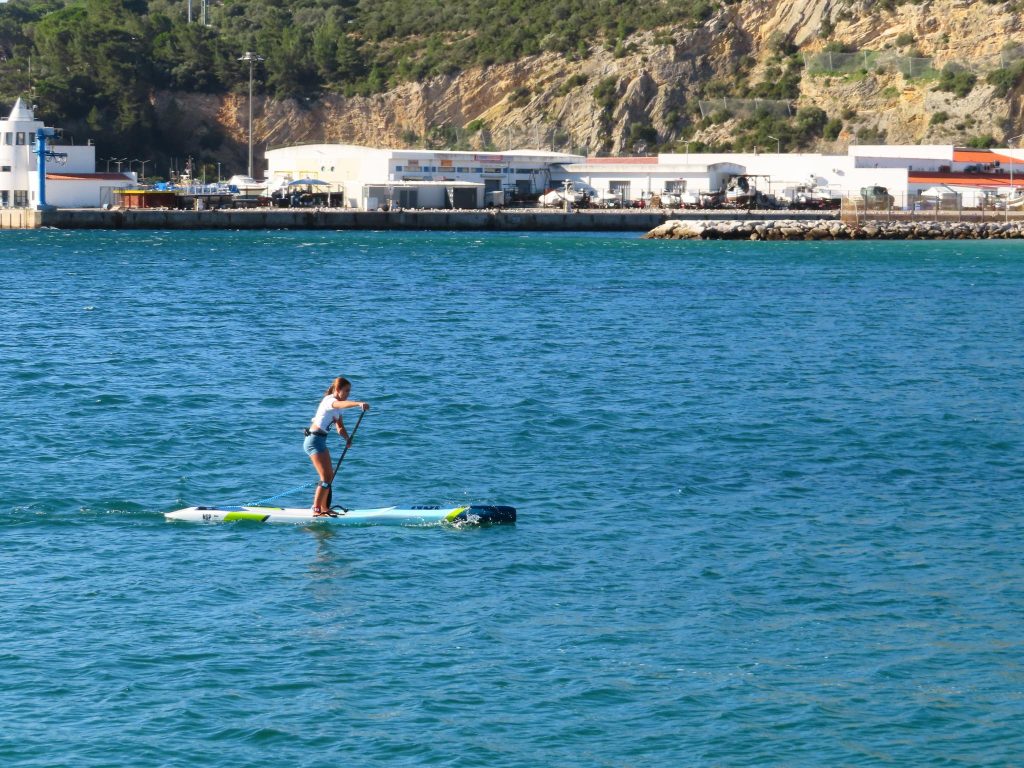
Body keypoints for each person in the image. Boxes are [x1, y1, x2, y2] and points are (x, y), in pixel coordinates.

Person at [303, 376, 370, 516]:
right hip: (313, 441)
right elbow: (341, 404)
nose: (348, 394)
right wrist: (358, 404)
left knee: (329, 477)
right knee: (325, 477)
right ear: (337, 390)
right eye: (346, 391)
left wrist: (347, 439)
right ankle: (316, 509)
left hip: (321, 441)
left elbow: (340, 428)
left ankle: (324, 508)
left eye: (349, 391)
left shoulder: (338, 408)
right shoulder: (330, 401)